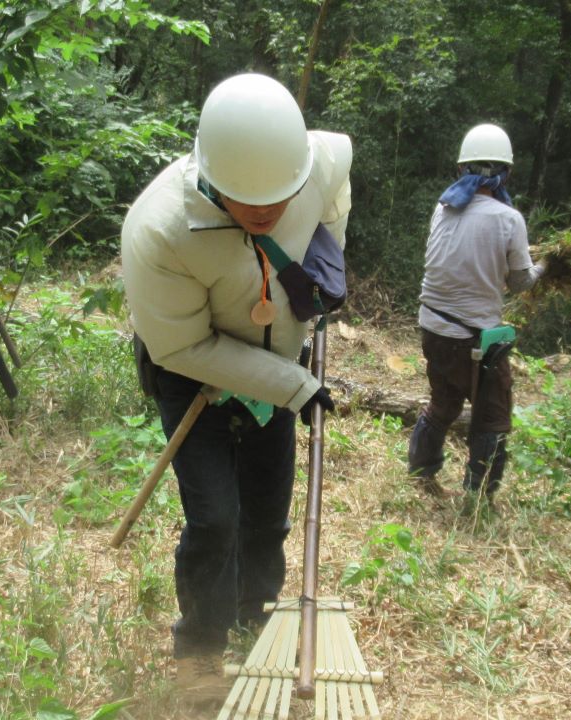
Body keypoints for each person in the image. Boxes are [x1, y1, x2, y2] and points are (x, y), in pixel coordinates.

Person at [120, 73, 351, 706]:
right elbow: (181, 346)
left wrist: (326, 246)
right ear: (211, 174)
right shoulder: (160, 229)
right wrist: (293, 385)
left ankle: (259, 614)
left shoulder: (316, 162)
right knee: (217, 517)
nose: (266, 213)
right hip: (189, 370)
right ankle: (199, 643)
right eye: (249, 203)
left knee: (269, 510)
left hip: (277, 358)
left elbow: (340, 167)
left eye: (280, 199)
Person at [407, 123, 546, 500]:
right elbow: (519, 283)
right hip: (475, 340)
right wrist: (545, 267)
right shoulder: (508, 219)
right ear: (506, 173)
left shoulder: (443, 209)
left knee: (443, 401)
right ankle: (479, 494)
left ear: (461, 170)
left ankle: (421, 472)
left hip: (433, 329)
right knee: (493, 415)